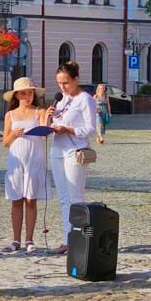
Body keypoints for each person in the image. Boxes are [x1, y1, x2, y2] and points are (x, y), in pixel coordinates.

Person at [44, 61, 96, 255]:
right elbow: (55, 122)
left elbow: (90, 129)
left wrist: (68, 129)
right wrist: (49, 119)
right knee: (64, 198)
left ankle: (80, 238)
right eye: (59, 83)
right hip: (57, 150)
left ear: (76, 79)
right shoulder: (61, 100)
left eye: (66, 82)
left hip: (75, 151)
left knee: (76, 197)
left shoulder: (85, 100)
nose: (62, 87)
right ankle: (68, 237)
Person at [2, 77, 48, 253]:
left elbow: (44, 134)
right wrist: (13, 134)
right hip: (16, 157)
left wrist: (48, 118)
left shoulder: (39, 111)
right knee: (16, 199)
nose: (27, 96)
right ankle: (16, 239)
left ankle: (29, 239)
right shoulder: (10, 115)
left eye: (30, 93)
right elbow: (5, 142)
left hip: (34, 157)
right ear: (16, 96)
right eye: (23, 93)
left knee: (30, 199)